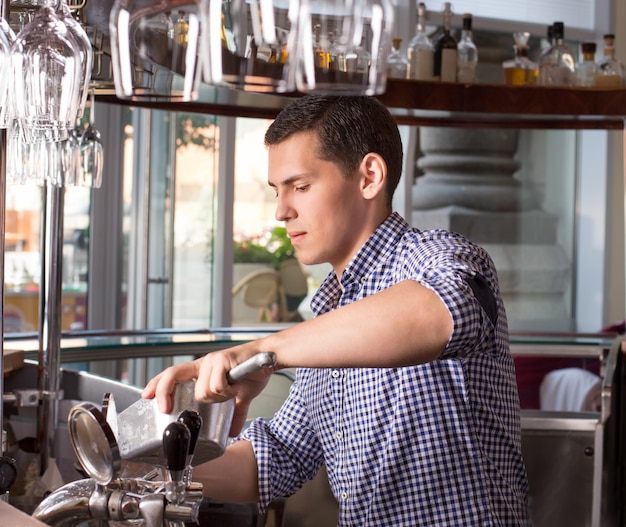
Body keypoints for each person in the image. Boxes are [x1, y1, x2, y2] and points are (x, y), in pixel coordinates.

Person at [143, 95, 530, 525]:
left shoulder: (442, 256)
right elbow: (274, 459)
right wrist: (141, 462)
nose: (280, 211)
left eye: (301, 186)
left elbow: (441, 311)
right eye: (277, 190)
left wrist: (262, 351)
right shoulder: (328, 324)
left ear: (369, 177)